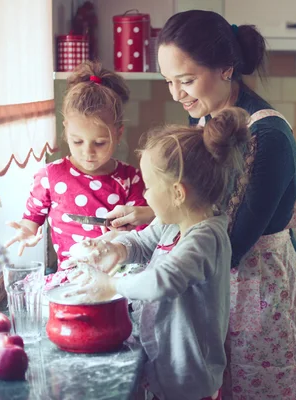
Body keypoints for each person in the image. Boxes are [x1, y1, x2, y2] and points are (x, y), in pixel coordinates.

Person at [104, 10, 296, 399]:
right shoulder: (207, 117)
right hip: (224, 289)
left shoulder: (266, 136)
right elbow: (204, 203)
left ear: (226, 68)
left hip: (260, 292)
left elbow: (232, 239)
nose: (176, 94)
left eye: (186, 80)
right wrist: (155, 216)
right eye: (169, 81)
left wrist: (128, 273)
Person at [64, 108, 250, 400]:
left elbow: (163, 280)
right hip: (164, 369)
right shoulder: (173, 223)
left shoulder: (206, 238)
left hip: (190, 381)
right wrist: (114, 249)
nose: (146, 196)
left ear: (177, 193)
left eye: (149, 187)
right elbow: (140, 242)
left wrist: (110, 285)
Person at [5, 61, 147, 271]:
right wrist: (26, 231)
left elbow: (142, 236)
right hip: (69, 278)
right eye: (77, 141)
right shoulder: (49, 176)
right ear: (66, 131)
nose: (87, 152)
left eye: (99, 143)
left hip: (118, 279)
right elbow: (31, 219)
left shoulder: (131, 178)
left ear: (118, 134)